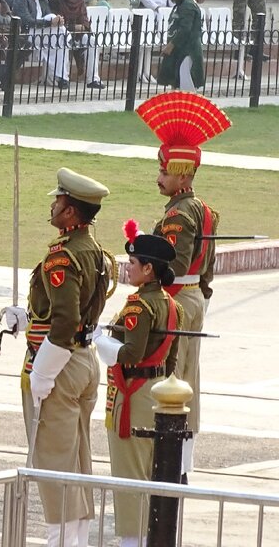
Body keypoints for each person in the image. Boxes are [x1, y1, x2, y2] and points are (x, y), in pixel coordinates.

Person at [3, 168, 113, 547]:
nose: (52, 205)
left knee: (52, 463)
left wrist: (43, 374)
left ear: (71, 213)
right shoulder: (95, 250)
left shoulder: (62, 258)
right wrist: (29, 316)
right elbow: (71, 313)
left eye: (59, 201)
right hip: (84, 360)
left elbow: (65, 322)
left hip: (60, 365)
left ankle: (62, 540)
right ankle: (76, 539)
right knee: (77, 458)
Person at [138, 90, 231, 479]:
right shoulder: (206, 210)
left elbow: (171, 267)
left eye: (163, 170)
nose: (158, 177)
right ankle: (183, 462)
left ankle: (174, 464)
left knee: (172, 378)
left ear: (182, 172)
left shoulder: (178, 215)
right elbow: (206, 270)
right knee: (189, 376)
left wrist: (146, 260)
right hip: (194, 298)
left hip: (176, 300)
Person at [93, 225, 181, 547]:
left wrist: (100, 339)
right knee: (150, 474)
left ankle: (133, 541)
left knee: (130, 478)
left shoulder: (137, 307)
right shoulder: (173, 307)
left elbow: (130, 355)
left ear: (148, 269)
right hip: (158, 394)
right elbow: (171, 361)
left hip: (135, 395)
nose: (128, 267)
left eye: (133, 263)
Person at [157, 0, 204, 90]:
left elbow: (185, 29)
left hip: (187, 51)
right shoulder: (180, 4)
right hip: (179, 50)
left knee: (186, 86)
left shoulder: (188, 5)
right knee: (176, 84)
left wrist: (171, 45)